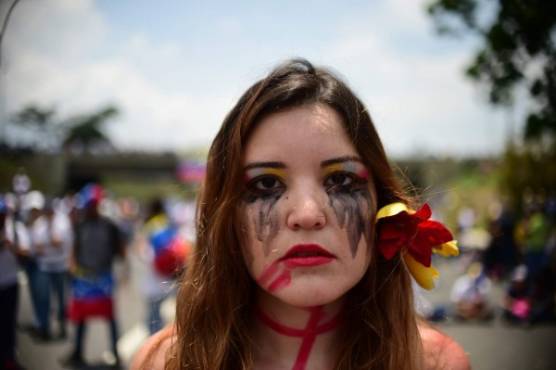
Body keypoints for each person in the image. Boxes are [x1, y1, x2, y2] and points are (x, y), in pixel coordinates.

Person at [132, 59, 469, 370]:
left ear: (380, 205)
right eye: (265, 184)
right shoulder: (162, 362)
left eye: (340, 180)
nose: (307, 214)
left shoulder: (434, 363)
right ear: (226, 216)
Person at [62, 184, 125, 368]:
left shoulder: (110, 226)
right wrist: (72, 264)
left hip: (104, 279)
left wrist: (123, 270)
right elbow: (74, 249)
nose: (89, 210)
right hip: (83, 279)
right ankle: (77, 353)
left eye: (91, 206)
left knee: (109, 317)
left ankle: (115, 353)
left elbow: (121, 250)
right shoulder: (80, 225)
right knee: (80, 318)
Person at [33, 198, 73, 340]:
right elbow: (37, 247)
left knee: (62, 299)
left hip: (60, 266)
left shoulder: (62, 222)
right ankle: (44, 328)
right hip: (44, 266)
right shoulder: (39, 225)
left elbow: (65, 243)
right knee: (44, 298)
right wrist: (51, 243)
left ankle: (62, 325)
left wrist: (51, 244)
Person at [0, 196, 31, 370]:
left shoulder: (16, 230)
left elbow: (26, 255)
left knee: (8, 324)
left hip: (10, 283)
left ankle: (9, 358)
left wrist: (10, 246)